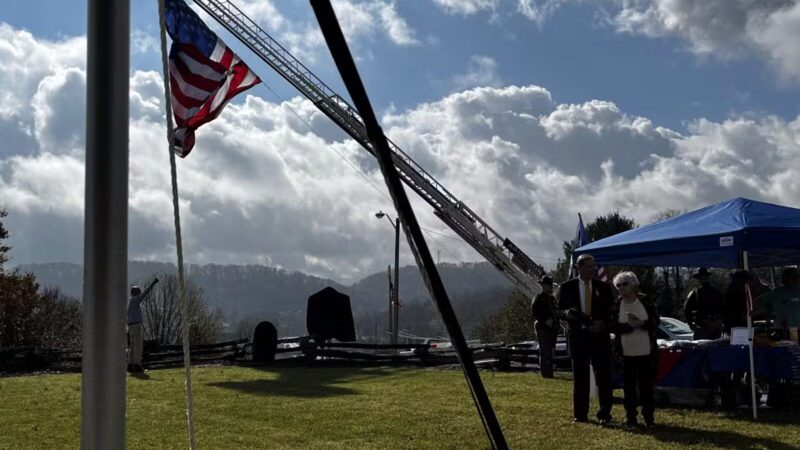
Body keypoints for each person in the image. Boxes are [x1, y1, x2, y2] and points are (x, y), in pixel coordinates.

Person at [558, 253, 614, 425]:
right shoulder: (567, 287)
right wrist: (566, 314)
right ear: (579, 268)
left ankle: (604, 414)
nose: (592, 270)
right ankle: (580, 414)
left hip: (600, 338)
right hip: (579, 338)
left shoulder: (603, 287)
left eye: (593, 266)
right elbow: (559, 311)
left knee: (603, 377)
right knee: (580, 377)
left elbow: (611, 311)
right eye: (589, 267)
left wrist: (602, 324)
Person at [611, 271, 659, 428]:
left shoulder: (646, 301)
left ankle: (649, 418)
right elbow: (612, 326)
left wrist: (642, 324)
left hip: (646, 351)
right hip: (625, 353)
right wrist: (628, 327)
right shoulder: (616, 304)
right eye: (618, 285)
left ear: (633, 284)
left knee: (646, 387)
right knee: (628, 387)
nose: (621, 287)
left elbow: (656, 322)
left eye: (625, 284)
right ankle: (631, 417)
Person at [127, 277, 159, 374]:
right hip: (137, 326)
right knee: (138, 346)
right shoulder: (136, 300)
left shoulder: (129, 302)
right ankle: (137, 364)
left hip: (130, 326)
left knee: (132, 346)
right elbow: (145, 293)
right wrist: (152, 284)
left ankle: (130, 364)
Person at [683, 268, 724, 339]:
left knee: (700, 345)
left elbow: (686, 308)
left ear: (699, 279)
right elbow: (723, 307)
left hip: (704, 325)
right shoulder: (716, 291)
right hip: (717, 324)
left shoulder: (696, 292)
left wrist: (690, 323)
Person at [756, 267, 800, 334]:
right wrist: (767, 312)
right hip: (782, 330)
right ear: (785, 279)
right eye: (792, 278)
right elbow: (758, 301)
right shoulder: (777, 292)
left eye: (796, 278)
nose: (795, 280)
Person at [532, 276, 559, 378]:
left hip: (552, 328)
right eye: (549, 285)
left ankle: (549, 371)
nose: (551, 287)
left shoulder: (552, 299)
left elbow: (556, 311)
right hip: (543, 328)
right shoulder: (538, 298)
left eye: (551, 285)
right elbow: (535, 312)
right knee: (545, 350)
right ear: (543, 285)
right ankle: (546, 372)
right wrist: (545, 320)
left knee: (550, 350)